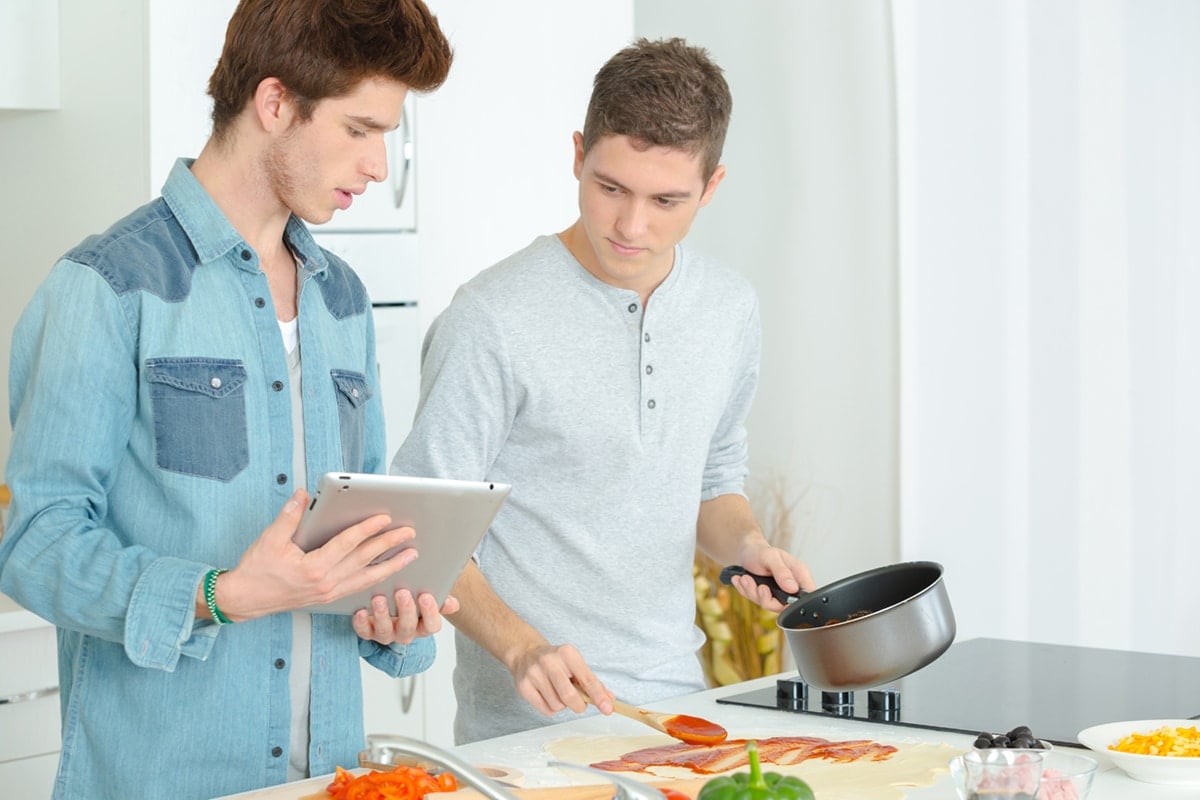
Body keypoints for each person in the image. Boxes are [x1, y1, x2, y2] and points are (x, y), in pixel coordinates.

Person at [0, 2, 453, 798]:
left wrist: (393, 618)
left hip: (327, 776)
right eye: (359, 130)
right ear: (274, 104)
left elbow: (362, 531)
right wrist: (225, 596)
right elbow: (35, 543)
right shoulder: (109, 286)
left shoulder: (341, 297)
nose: (379, 166)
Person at [390, 37, 816, 744]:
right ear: (578, 153)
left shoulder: (729, 309)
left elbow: (710, 482)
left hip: (679, 717)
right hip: (523, 738)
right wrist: (522, 646)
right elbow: (425, 536)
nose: (630, 224)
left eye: (666, 199)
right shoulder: (490, 317)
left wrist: (747, 544)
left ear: (712, 187)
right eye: (609, 186)